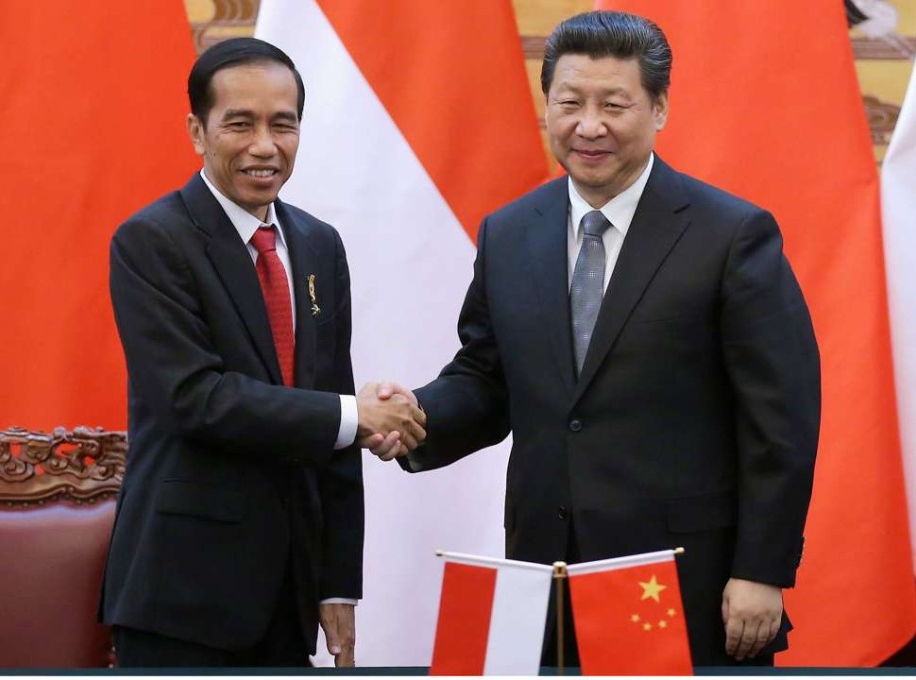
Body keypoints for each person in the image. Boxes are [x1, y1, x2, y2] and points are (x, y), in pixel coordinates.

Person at [368, 10, 820, 668]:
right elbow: (488, 378)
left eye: (615, 104)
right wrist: (416, 416)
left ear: (659, 108)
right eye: (569, 102)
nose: (589, 126)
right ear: (546, 105)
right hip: (538, 577)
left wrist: (762, 568)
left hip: (677, 578)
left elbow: (781, 418)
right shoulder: (510, 231)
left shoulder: (731, 235)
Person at [100, 38, 425, 668]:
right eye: (239, 123)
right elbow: (198, 400)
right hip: (181, 596)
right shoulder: (151, 241)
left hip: (291, 593)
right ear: (198, 131)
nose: (264, 145)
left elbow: (331, 406)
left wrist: (337, 581)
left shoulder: (318, 245)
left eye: (283, 124)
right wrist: (359, 416)